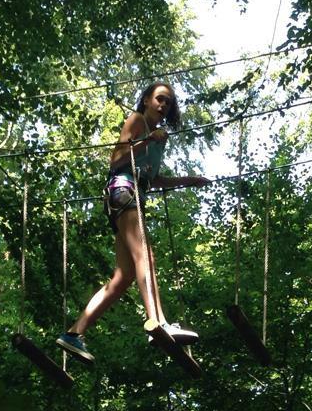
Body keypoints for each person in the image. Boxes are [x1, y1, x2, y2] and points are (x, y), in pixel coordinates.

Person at [56, 81, 211, 364]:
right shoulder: (137, 120)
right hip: (122, 190)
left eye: (168, 103)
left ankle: (73, 334)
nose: (164, 106)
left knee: (124, 276)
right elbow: (116, 160)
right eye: (159, 99)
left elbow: (153, 179)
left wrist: (190, 180)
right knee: (145, 256)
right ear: (147, 100)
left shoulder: (158, 137)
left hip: (132, 193)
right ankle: (158, 322)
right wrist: (149, 141)